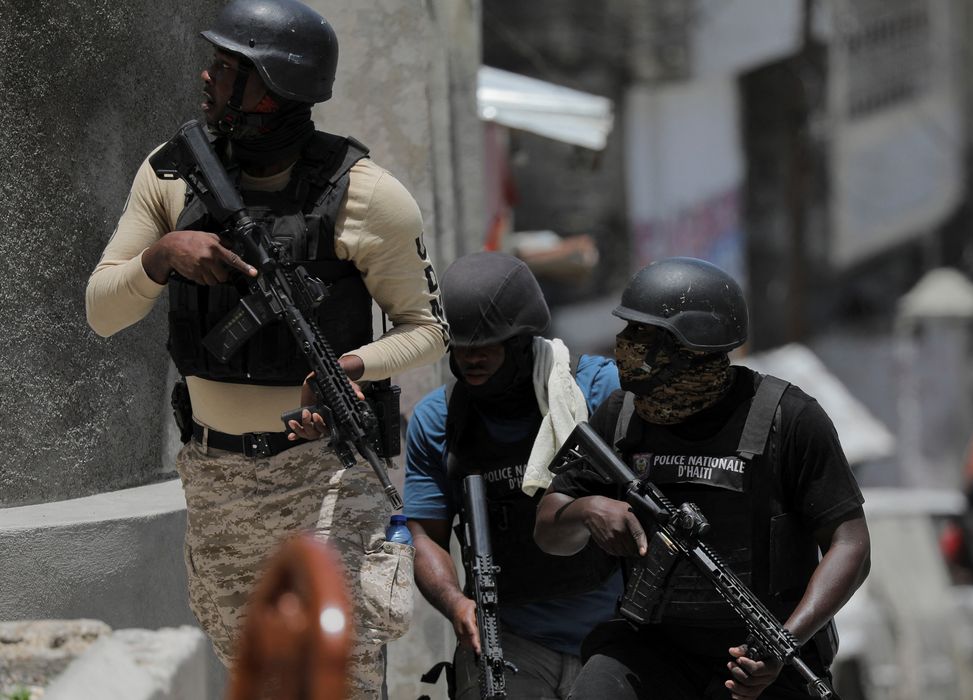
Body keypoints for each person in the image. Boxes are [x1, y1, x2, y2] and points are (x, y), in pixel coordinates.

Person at [84, 0, 449, 696]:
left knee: (339, 674)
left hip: (326, 471)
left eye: (228, 67)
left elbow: (428, 328)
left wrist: (349, 366)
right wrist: (161, 256)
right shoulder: (170, 175)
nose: (207, 76)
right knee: (250, 674)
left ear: (275, 88)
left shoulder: (368, 195)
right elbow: (102, 312)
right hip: (216, 476)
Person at [533, 257, 872, 700]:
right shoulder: (621, 417)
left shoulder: (787, 419)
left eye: (642, 333)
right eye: (627, 329)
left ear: (689, 346)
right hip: (651, 648)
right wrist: (586, 509)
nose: (624, 343)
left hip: (762, 657)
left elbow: (851, 545)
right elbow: (548, 530)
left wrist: (782, 644)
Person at [403, 252, 623, 699]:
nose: (471, 358)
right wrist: (456, 604)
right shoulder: (439, 420)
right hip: (510, 641)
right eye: (460, 346)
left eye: (487, 345)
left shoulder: (596, 391)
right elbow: (424, 535)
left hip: (612, 636)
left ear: (522, 341)